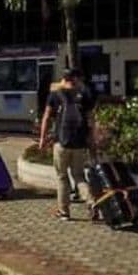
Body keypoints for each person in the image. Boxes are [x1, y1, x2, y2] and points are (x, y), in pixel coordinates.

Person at [39, 68, 97, 221]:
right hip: (79, 143)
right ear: (76, 79)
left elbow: (46, 118)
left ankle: (64, 211)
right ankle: (91, 201)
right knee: (79, 176)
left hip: (61, 143)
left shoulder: (55, 95)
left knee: (62, 177)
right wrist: (91, 141)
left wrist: (42, 139)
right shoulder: (84, 95)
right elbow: (91, 121)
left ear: (63, 79)